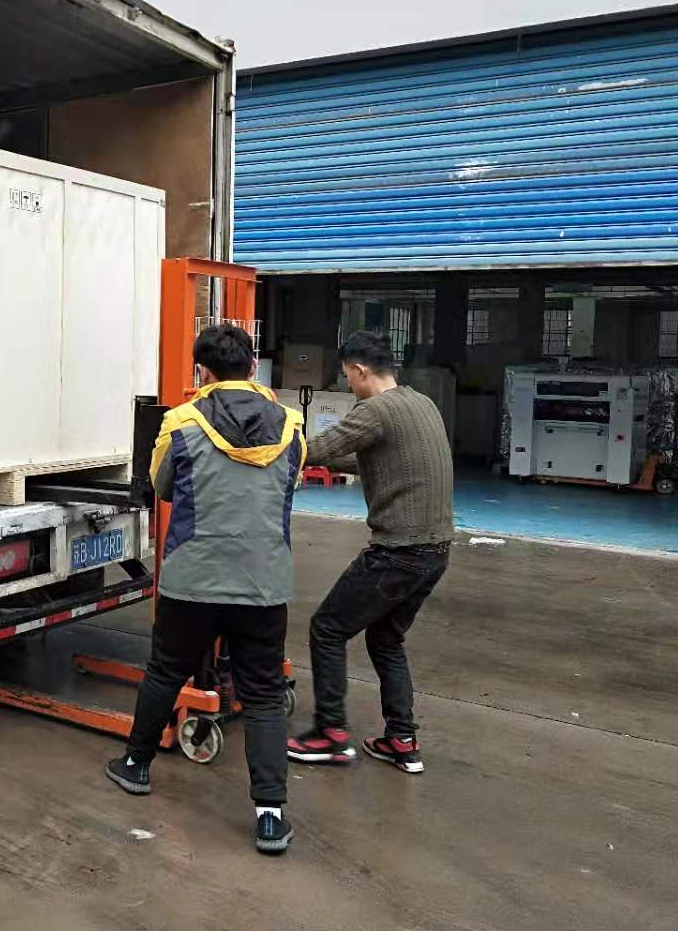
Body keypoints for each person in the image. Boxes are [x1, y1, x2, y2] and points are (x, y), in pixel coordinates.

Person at [105, 324, 307, 856]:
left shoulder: (181, 422)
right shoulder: (292, 426)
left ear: (203, 372)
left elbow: (162, 486)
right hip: (264, 582)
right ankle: (270, 816)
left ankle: (136, 765)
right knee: (263, 694)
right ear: (253, 367)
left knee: (165, 671)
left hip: (192, 579)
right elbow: (290, 484)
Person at [287, 330, 453, 775]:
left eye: (347, 376)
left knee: (327, 627)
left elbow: (318, 448)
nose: (348, 384)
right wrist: (322, 459)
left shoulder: (374, 410)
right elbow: (370, 458)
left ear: (360, 371)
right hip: (436, 552)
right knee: (386, 639)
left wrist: (272, 442)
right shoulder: (421, 403)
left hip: (398, 552)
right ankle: (402, 739)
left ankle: (330, 734)